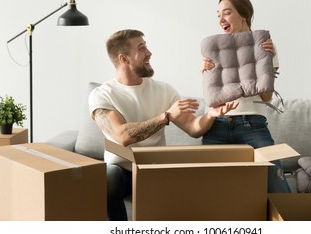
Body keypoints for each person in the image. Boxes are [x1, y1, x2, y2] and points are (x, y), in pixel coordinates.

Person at [89, 29, 238, 220]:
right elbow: (122, 136)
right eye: (142, 48)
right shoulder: (102, 94)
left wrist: (211, 115)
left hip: (156, 169)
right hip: (122, 172)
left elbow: (193, 128)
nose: (149, 53)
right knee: (107, 177)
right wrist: (166, 116)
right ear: (123, 59)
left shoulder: (163, 90)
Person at [200, 0, 291, 193]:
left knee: (277, 185)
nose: (221, 20)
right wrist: (206, 71)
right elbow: (213, 99)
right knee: (208, 189)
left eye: (227, 13)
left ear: (244, 14)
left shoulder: (265, 47)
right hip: (218, 125)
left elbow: (266, 97)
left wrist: (267, 63)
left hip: (253, 125)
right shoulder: (214, 50)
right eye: (218, 15)